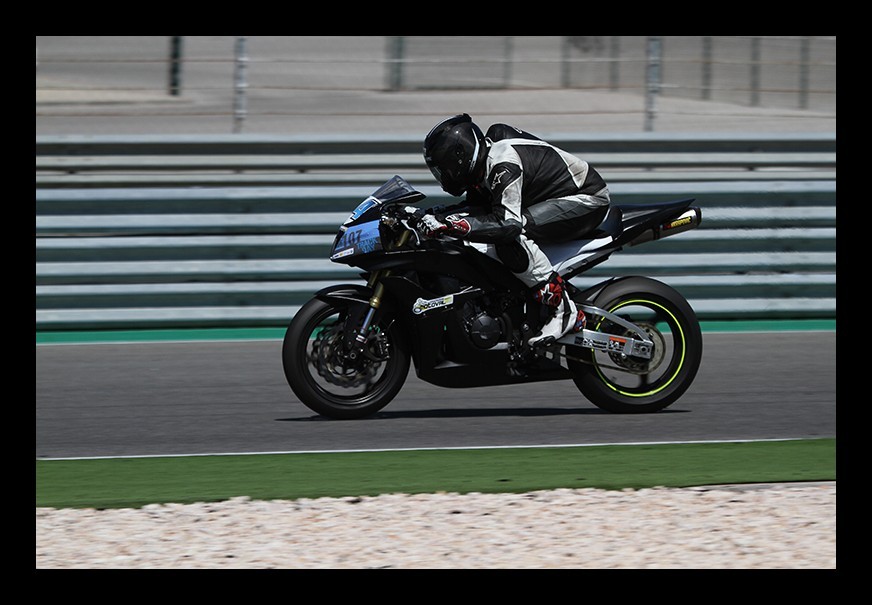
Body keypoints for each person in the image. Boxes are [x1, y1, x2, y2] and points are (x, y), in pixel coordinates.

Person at [418, 113, 611, 347]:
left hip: (585, 198)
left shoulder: (502, 165)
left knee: (511, 235)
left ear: (460, 157)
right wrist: (436, 215)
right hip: (549, 199)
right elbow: (477, 209)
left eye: (445, 169)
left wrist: (454, 224)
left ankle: (564, 311)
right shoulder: (482, 170)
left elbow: (506, 225)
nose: (444, 176)